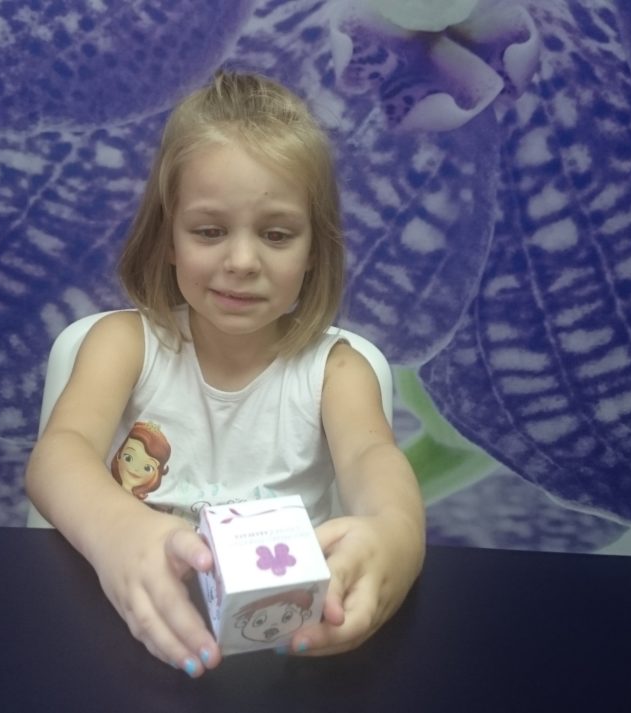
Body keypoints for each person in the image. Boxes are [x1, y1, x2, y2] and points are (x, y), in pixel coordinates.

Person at [24, 71, 425, 678]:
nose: (241, 261)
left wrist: (397, 536)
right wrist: (117, 532)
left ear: (314, 250)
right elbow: (58, 456)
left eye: (277, 235)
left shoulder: (337, 369)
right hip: (127, 631)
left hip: (284, 650)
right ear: (168, 239)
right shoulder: (124, 344)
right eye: (209, 231)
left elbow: (375, 462)